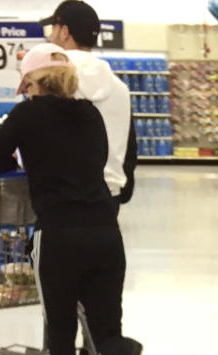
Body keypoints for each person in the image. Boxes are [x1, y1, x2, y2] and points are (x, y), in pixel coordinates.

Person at [0, 43, 143, 355]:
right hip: (105, 232)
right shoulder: (90, 114)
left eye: (28, 84)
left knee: (63, 326)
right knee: (107, 329)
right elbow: (98, 160)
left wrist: (24, 157)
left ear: (35, 82)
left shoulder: (27, 115)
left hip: (58, 235)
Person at [40, 1, 138, 206]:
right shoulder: (120, 88)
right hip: (109, 195)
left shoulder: (52, 82)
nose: (50, 36)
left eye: (53, 30)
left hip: (63, 196)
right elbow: (130, 145)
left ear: (64, 32)